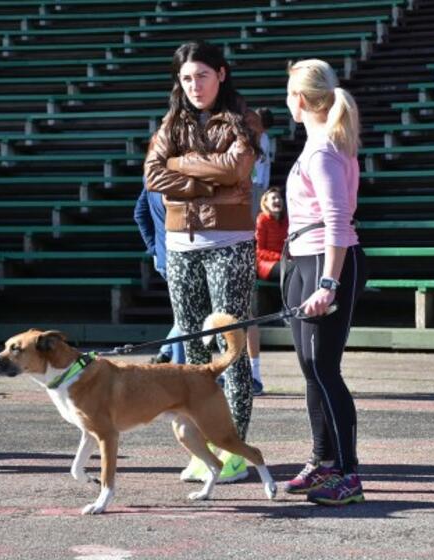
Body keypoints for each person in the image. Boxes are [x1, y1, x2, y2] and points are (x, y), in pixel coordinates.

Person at [144, 40, 260, 485]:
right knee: (192, 352)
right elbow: (153, 175)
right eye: (187, 78)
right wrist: (200, 183)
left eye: (203, 76)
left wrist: (182, 166)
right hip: (180, 245)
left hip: (229, 241)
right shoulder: (170, 122)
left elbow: (236, 169)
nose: (195, 85)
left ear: (222, 75)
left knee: (227, 350)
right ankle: (204, 450)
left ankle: (235, 450)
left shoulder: (246, 119)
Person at [281, 59, 367, 506]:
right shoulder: (318, 144)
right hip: (304, 260)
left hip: (326, 262)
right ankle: (324, 461)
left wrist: (328, 283)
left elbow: (337, 222)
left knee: (325, 369)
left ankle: (349, 475)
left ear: (299, 98)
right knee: (311, 369)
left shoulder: (323, 151)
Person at [133, 182, 185, 365]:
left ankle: (166, 351)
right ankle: (180, 368)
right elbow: (139, 214)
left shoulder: (152, 175)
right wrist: (154, 247)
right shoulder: (162, 176)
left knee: (184, 314)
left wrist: (155, 248)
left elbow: (139, 214)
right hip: (176, 256)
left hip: (166, 256)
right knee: (186, 315)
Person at [245, 187, 289, 396]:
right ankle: (287, 308)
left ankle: (290, 308)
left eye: (279, 197)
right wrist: (281, 258)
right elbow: (258, 250)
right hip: (264, 263)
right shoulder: (262, 220)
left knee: (297, 268)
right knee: (290, 269)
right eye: (272, 198)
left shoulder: (285, 221)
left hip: (283, 260)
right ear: (264, 202)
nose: (277, 200)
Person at [250, 107, 274, 218]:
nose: (262, 131)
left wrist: (265, 185)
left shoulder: (265, 139)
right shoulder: (244, 137)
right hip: (245, 185)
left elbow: (266, 164)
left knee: (258, 219)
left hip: (259, 185)